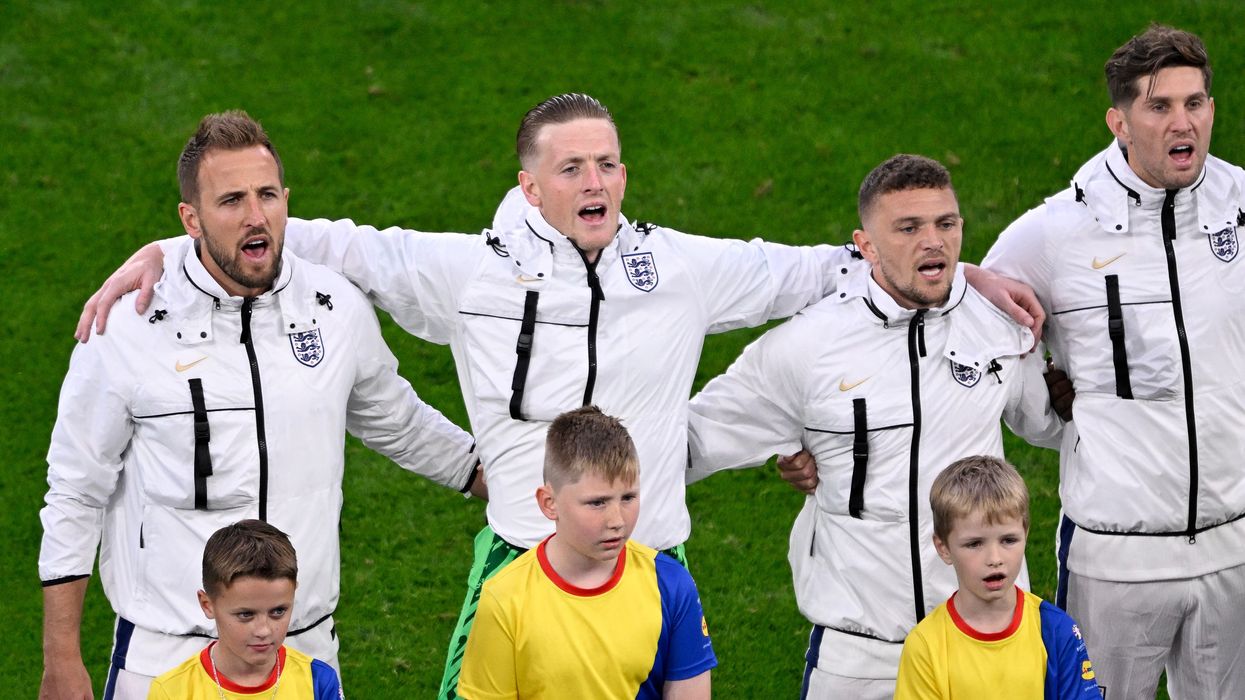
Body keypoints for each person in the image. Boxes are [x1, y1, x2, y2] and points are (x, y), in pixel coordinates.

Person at [72, 94, 1043, 699]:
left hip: (653, 562)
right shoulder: (463, 273)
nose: (597, 179)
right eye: (573, 166)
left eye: (609, 161)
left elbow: (835, 269)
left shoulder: (682, 269)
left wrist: (972, 276)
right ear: (531, 186)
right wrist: (162, 252)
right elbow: (315, 238)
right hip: (518, 564)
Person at [38, 111, 481, 700]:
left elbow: (398, 421)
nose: (256, 216)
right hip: (167, 651)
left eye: (267, 195)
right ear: (190, 219)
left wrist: (502, 480)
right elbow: (75, 489)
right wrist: (62, 657)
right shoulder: (126, 328)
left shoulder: (334, 308)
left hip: (302, 647)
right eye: (231, 200)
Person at [685, 154, 1064, 699]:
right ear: (865, 247)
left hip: (984, 645)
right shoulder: (805, 349)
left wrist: (1074, 390)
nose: (933, 241)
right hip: (860, 656)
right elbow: (694, 443)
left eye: (946, 224)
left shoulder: (997, 323)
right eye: (908, 228)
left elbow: (1048, 424)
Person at [980, 25, 1245, 698]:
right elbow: (967, 332)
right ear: (1118, 121)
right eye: (1158, 107)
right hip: (1113, 560)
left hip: (1236, 551)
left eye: (1195, 102)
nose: (1182, 122)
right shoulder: (1051, 235)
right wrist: (1043, 410)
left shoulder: (1239, 207)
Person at [458, 406, 715, 699]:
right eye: (597, 503)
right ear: (549, 503)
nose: (617, 520)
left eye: (628, 497)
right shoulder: (504, 598)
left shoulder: (671, 586)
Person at [894, 456, 1099, 700]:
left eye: (1008, 540)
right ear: (943, 548)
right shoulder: (925, 646)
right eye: (974, 544)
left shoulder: (1056, 631)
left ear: (1026, 534)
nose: (994, 558)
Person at [148, 519, 343, 699]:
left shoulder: (318, 681)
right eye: (246, 615)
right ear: (207, 605)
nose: (264, 630)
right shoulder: (172, 692)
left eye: (278, 611)